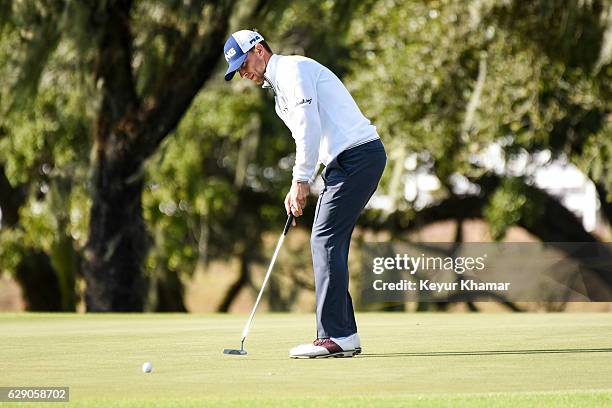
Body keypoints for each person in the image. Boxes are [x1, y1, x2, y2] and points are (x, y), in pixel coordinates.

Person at [223, 30, 386, 358]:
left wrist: (301, 181)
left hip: (358, 155)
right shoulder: (279, 88)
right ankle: (344, 334)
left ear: (259, 49)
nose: (244, 73)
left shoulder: (292, 71)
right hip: (345, 162)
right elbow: (304, 136)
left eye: (244, 64)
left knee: (323, 239)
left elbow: (309, 129)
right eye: (238, 70)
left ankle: (335, 336)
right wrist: (297, 184)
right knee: (328, 241)